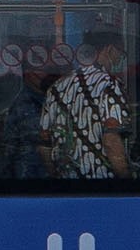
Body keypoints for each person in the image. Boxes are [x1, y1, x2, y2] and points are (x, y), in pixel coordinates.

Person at [39, 25, 132, 180]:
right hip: (102, 186)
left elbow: (44, 143)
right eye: (120, 53)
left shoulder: (57, 86)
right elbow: (111, 140)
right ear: (109, 50)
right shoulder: (109, 85)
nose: (119, 59)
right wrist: (127, 179)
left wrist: (56, 175)